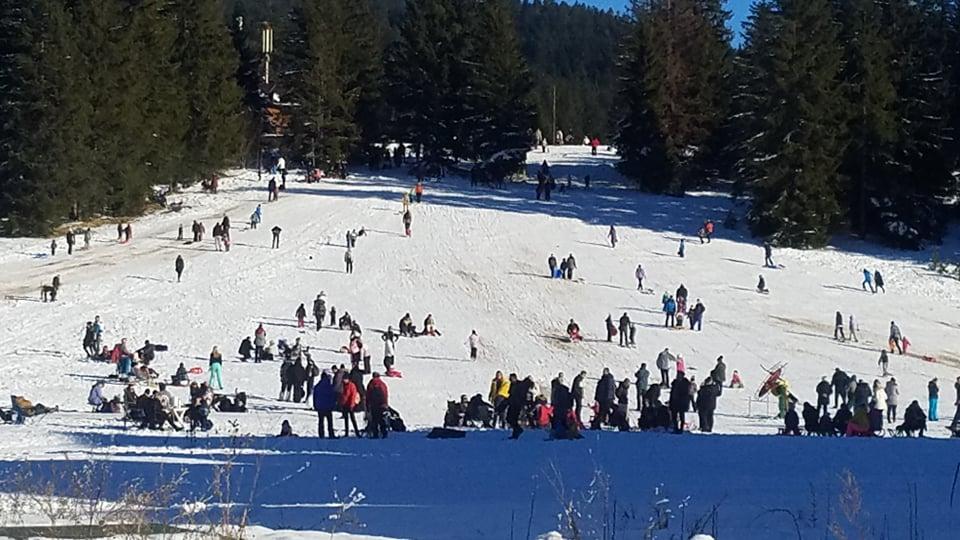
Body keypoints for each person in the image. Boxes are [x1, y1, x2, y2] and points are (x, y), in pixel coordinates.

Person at [312, 371, 337, 438]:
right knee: (330, 422)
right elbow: (333, 396)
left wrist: (315, 405)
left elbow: (315, 397)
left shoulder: (317, 386)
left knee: (321, 421)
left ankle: (321, 434)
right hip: (328, 407)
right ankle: (331, 434)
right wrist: (333, 405)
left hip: (320, 407)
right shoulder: (330, 386)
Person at [366, 373, 390, 438]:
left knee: (374, 420)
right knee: (381, 419)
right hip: (381, 404)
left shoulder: (370, 384)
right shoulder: (382, 384)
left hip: (373, 405)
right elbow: (385, 395)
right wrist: (385, 404)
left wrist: (367, 404)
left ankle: (375, 434)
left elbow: (368, 395)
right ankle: (384, 432)